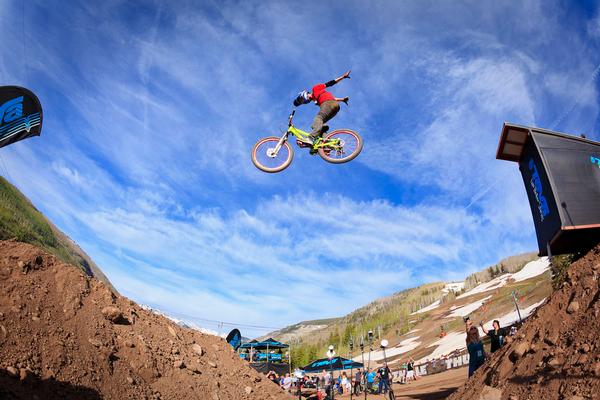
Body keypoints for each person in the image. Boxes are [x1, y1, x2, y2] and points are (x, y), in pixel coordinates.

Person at [293, 70, 351, 144]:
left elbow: (330, 83)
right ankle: (326, 145)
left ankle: (310, 138)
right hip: (335, 106)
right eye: (303, 102)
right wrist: (342, 99)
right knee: (320, 125)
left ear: (304, 94)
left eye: (302, 100)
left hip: (329, 104)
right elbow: (332, 99)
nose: (304, 101)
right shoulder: (317, 100)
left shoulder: (315, 89)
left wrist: (343, 77)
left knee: (318, 119)